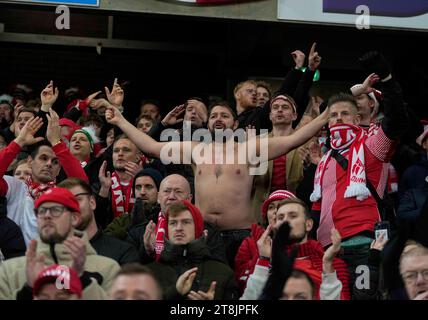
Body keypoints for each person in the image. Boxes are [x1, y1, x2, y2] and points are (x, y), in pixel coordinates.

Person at [105, 97, 329, 267]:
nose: (219, 119)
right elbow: (151, 148)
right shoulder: (194, 149)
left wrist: (327, 115)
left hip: (241, 233)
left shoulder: (250, 149)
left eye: (225, 116)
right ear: (208, 123)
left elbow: (293, 140)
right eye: (214, 116)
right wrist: (120, 120)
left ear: (234, 124)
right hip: (204, 234)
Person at [309, 51, 409, 295]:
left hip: (363, 244)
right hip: (327, 248)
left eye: (345, 114)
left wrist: (386, 78)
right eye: (333, 116)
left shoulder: (371, 145)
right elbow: (315, 208)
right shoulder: (325, 159)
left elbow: (397, 119)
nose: (338, 118)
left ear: (357, 118)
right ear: (327, 122)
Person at [0, 187, 120, 300]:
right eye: (41, 211)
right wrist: (28, 290)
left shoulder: (107, 268)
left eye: (55, 210)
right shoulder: (9, 270)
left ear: (74, 218)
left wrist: (82, 281)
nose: (47, 216)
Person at [0, 111, 88, 244]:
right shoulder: (15, 186)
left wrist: (56, 142)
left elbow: (82, 185)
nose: (49, 164)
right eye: (43, 158)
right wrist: (19, 141)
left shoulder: (62, 193)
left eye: (55, 162)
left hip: (53, 258)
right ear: (30, 162)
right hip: (15, 258)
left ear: (58, 170)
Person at [240, 198, 349, 300]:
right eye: (280, 218)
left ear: (309, 225)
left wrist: (328, 267)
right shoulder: (263, 263)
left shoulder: (332, 264)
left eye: (293, 216)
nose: (285, 221)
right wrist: (263, 259)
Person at [146, 200, 238, 300]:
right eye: (173, 223)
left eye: (186, 222)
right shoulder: (149, 273)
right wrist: (175, 293)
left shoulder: (224, 273)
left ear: (198, 228)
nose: (179, 228)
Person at [57, 178, 140, 265]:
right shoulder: (51, 256)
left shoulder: (123, 252)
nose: (71, 207)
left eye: (77, 199)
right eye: (64, 203)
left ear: (92, 202)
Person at [251, 94, 303, 223]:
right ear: (270, 116)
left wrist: (309, 166)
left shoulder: (305, 141)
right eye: (275, 107)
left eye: (285, 107)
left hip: (293, 206)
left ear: (294, 116)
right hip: (260, 208)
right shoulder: (256, 142)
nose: (279, 110)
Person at [235, 189, 296, 293]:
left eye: (281, 206)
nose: (275, 211)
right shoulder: (249, 243)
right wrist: (262, 257)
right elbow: (241, 284)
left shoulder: (304, 246)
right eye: (271, 207)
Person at [104, 167, 163, 240]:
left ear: (159, 190)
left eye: (148, 187)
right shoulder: (123, 220)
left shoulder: (167, 218)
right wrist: (131, 227)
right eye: (138, 187)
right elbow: (106, 242)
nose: (142, 192)